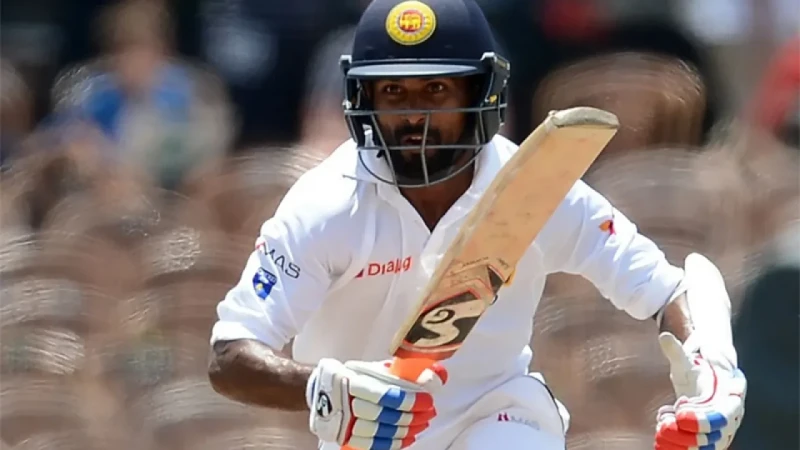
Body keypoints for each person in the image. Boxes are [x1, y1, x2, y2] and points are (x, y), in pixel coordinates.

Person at [207, 1, 747, 449]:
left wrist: (712, 375)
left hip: (500, 413)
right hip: (373, 433)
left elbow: (666, 291)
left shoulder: (533, 187)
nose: (414, 116)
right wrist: (324, 391)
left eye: (436, 90)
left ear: (481, 94)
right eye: (393, 92)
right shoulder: (326, 205)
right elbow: (231, 354)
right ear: (362, 98)